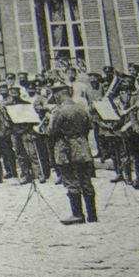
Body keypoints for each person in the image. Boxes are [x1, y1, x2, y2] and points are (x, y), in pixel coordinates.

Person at [45, 81, 97, 225]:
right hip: (83, 147)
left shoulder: (58, 111)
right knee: (86, 182)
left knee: (71, 181)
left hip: (66, 150)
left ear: (58, 94)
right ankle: (92, 215)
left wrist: (49, 121)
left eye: (55, 94)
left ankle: (77, 214)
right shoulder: (81, 108)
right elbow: (88, 127)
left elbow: (51, 132)